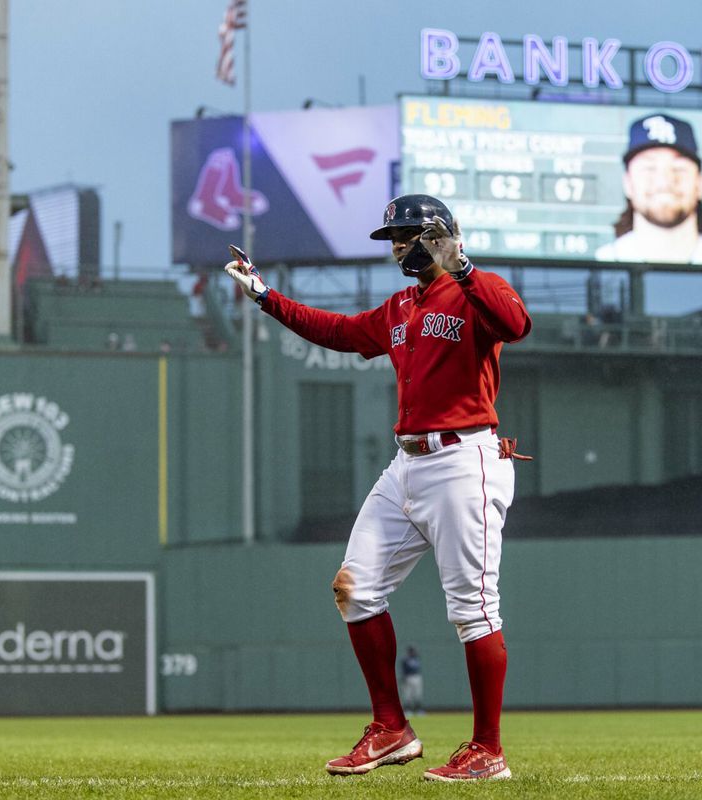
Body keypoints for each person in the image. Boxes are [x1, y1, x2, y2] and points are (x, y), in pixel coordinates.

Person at [224, 193, 531, 782]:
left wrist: (462, 266)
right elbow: (339, 331)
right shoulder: (400, 307)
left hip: (465, 459)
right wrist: (266, 297)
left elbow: (517, 324)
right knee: (355, 588)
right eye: (393, 236)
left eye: (405, 235)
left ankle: (488, 750)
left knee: (473, 609)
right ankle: (392, 728)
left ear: (437, 235)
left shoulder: (476, 290)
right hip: (407, 463)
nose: (395, 246)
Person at [595, 113, 702, 265]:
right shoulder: (604, 263)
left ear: (700, 184)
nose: (664, 182)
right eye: (649, 168)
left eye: (678, 168)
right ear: (628, 183)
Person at [400, 645, 424, 717]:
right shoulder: (405, 659)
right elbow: (403, 670)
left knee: (417, 694)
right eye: (411, 651)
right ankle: (408, 710)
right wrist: (404, 679)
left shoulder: (416, 658)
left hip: (416, 677)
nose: (413, 652)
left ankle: (419, 710)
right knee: (408, 695)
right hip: (408, 677)